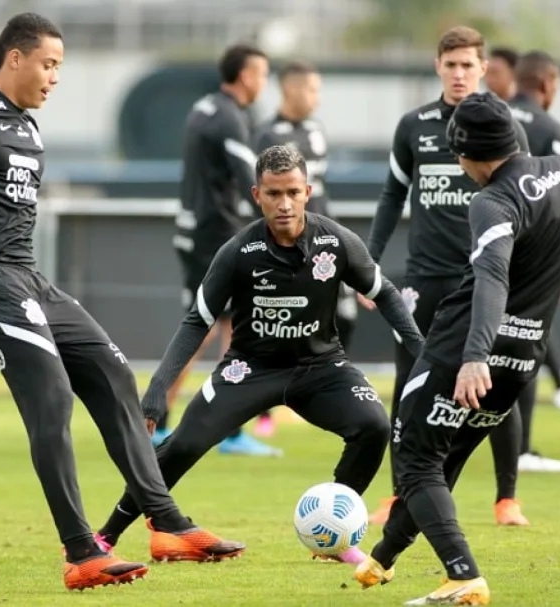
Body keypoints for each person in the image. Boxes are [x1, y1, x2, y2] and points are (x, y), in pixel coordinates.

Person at [0, 13, 244, 591]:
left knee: (113, 370)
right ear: (16, 58)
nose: (55, 77)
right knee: (51, 394)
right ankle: (82, 552)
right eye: (50, 64)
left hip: (30, 282)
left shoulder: (29, 128)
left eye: (61, 67)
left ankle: (166, 522)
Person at [354, 91, 560, 605]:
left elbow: (492, 275)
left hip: (463, 353)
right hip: (521, 362)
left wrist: (474, 355)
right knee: (439, 464)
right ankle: (381, 560)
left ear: (468, 152)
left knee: (414, 459)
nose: (458, 164)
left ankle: (462, 574)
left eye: (459, 155)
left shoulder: (491, 200)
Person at [96, 144, 425, 566]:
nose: (284, 204)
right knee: (181, 446)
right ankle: (107, 535)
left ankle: (333, 535)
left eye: (292, 192)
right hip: (249, 369)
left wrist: (422, 355)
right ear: (257, 195)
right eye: (273, 194)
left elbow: (388, 296)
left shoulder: (337, 242)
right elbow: (197, 320)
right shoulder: (238, 253)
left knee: (373, 426)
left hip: (321, 367)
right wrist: (159, 389)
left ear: (307, 191)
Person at [364, 26, 533, 528]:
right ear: (438, 66)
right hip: (424, 279)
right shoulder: (412, 126)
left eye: (468, 65)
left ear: (483, 68)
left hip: (486, 279)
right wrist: (368, 264)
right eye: (451, 64)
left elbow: (526, 201)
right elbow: (392, 197)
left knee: (498, 385)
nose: (459, 74)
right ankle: (399, 495)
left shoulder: (504, 125)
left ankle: (507, 499)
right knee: (409, 383)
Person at [157, 43, 282, 457]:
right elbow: (253, 181)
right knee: (217, 329)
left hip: (196, 233)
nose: (264, 82)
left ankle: (173, 423)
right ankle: (171, 422)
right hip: (215, 237)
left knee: (219, 327)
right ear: (246, 76)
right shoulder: (230, 118)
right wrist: (282, 225)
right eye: (262, 74)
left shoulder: (204, 107)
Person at [250, 60, 358, 437]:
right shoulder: (267, 134)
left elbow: (321, 191)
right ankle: (264, 410)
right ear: (289, 90)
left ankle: (315, 390)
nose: (317, 97)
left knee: (342, 314)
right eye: (311, 89)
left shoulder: (316, 131)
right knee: (275, 324)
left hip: (322, 240)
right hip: (285, 243)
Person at [489, 50, 560, 477]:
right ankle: (520, 451)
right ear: (546, 83)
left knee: (485, 341)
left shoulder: (494, 117)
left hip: (484, 245)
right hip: (531, 256)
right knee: (524, 345)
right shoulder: (549, 128)